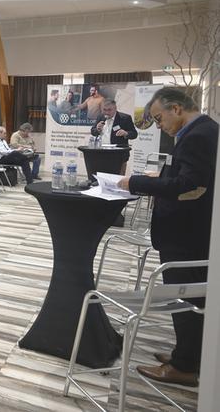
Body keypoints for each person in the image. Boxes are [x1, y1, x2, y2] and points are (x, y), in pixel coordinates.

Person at [117, 87, 217, 387]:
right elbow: (186, 179)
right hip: (189, 232)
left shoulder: (198, 135)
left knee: (184, 299)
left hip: (185, 235)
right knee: (189, 298)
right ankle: (187, 354)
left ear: (176, 109)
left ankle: (184, 366)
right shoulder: (203, 130)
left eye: (160, 119)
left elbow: (191, 186)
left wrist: (134, 183)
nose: (159, 125)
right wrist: (159, 179)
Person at [90, 99, 138, 171]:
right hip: (101, 154)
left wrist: (126, 133)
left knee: (117, 179)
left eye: (109, 110)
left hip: (118, 156)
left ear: (115, 109)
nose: (106, 112)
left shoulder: (124, 118)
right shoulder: (100, 117)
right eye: (104, 110)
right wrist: (97, 129)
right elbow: (93, 131)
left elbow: (134, 134)